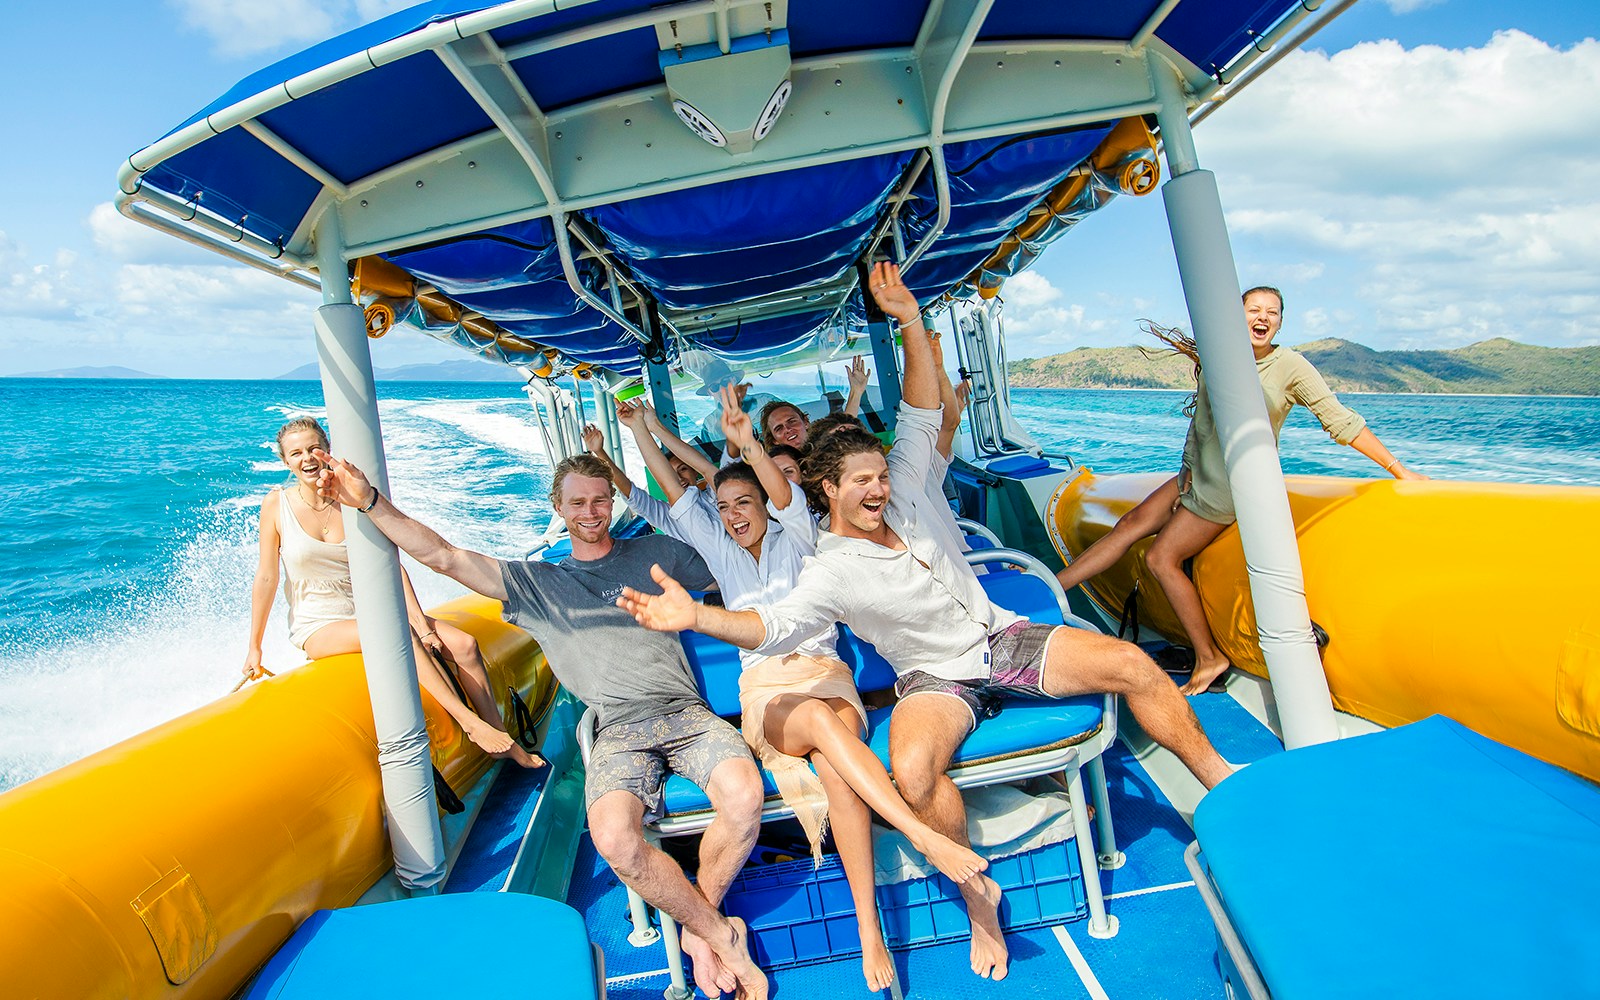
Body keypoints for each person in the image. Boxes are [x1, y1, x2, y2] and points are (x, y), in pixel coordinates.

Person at [617, 261, 1234, 983]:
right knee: (911, 770)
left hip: (1003, 639)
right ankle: (980, 905)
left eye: (881, 475)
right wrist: (701, 617)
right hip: (932, 678)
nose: (879, 488)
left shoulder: (907, 482)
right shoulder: (827, 565)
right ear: (829, 490)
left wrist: (910, 320)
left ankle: (1222, 792)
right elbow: (776, 628)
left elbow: (918, 407)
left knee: (1132, 664)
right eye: (863, 482)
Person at [312, 446, 768, 1000]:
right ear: (558, 506)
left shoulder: (657, 552)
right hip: (619, 731)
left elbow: (741, 557)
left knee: (744, 798)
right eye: (577, 501)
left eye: (601, 499)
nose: (592, 511)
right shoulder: (538, 583)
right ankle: (718, 932)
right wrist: (370, 502)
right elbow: (445, 556)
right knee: (615, 839)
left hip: (686, 714)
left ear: (612, 501)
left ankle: (702, 930)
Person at [596, 386, 986, 994]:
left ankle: (869, 931)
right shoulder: (718, 551)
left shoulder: (800, 538)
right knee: (825, 730)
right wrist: (640, 425)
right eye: (723, 506)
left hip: (828, 675)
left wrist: (748, 441)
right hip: (770, 692)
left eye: (744, 501)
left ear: (765, 501)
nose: (734, 514)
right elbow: (669, 491)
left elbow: (781, 494)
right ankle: (917, 832)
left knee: (837, 769)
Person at [1055, 286, 1430, 695]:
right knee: (1130, 523)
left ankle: (1209, 656)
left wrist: (1399, 470)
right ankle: (1050, 589)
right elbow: (1201, 425)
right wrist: (1185, 475)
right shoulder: (1222, 357)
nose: (1263, 317)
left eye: (1272, 312)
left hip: (1233, 487)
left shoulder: (1291, 367)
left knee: (1163, 558)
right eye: (1254, 309)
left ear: (1281, 322)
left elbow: (1341, 422)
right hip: (1196, 474)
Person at [243, 417, 540, 767]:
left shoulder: (349, 498)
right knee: (392, 629)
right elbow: (266, 577)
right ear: (285, 461)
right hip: (319, 624)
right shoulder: (276, 505)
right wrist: (254, 647)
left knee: (464, 645)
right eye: (296, 453)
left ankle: (503, 741)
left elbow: (390, 567)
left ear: (326, 450)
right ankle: (468, 723)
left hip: (373, 610)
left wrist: (424, 626)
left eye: (313, 448)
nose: (307, 458)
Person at [756, 356, 873, 452]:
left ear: (806, 422)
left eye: (792, 421)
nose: (788, 429)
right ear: (774, 440)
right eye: (778, 428)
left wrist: (856, 391)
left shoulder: (826, 449)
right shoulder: (777, 469)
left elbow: (845, 426)